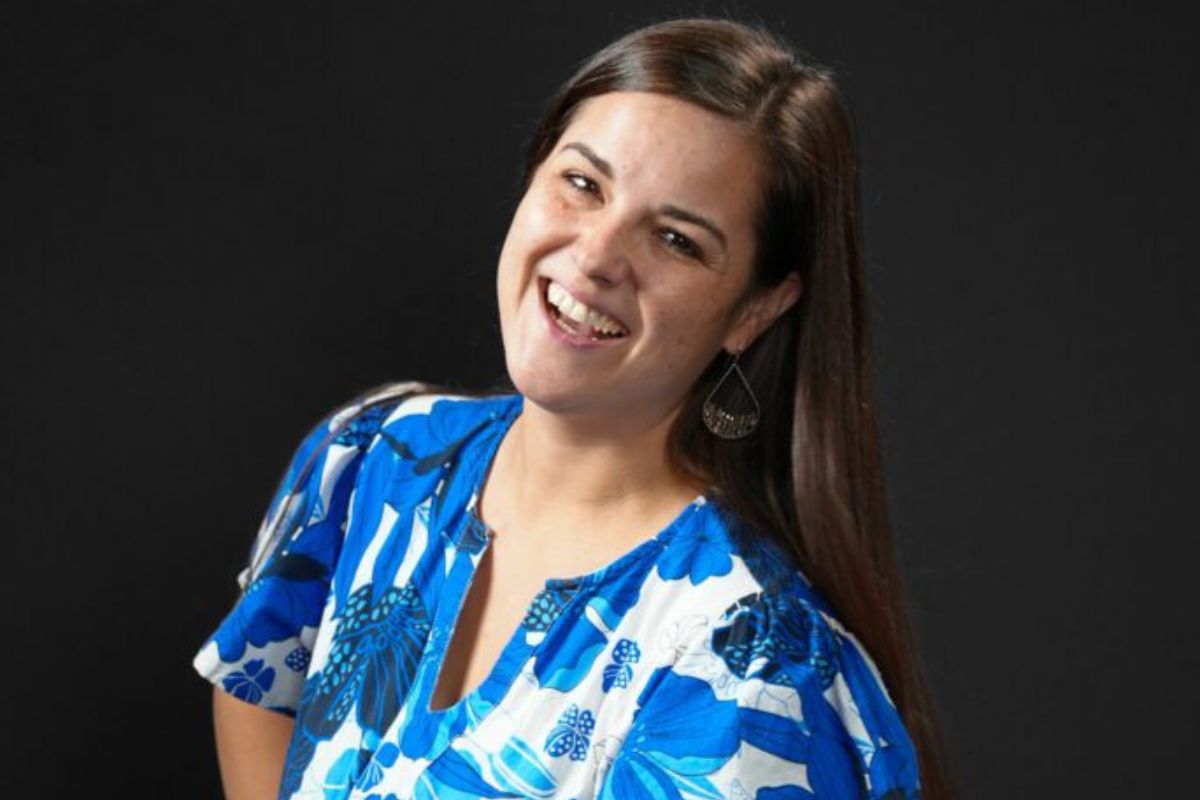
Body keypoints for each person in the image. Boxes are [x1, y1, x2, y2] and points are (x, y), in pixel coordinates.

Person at [192, 16, 955, 800]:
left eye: (676, 239)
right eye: (583, 184)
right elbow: (257, 682)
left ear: (754, 311)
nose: (594, 257)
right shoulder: (378, 456)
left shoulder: (742, 663)